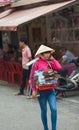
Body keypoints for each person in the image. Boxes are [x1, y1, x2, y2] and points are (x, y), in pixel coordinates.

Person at [30, 45, 62, 130]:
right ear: (41, 54)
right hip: (41, 92)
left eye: (48, 53)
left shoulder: (50, 62)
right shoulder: (36, 64)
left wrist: (53, 59)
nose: (47, 54)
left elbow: (59, 67)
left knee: (54, 109)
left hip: (51, 90)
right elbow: (33, 78)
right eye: (46, 53)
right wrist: (33, 90)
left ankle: (54, 128)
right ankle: (46, 128)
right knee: (44, 110)